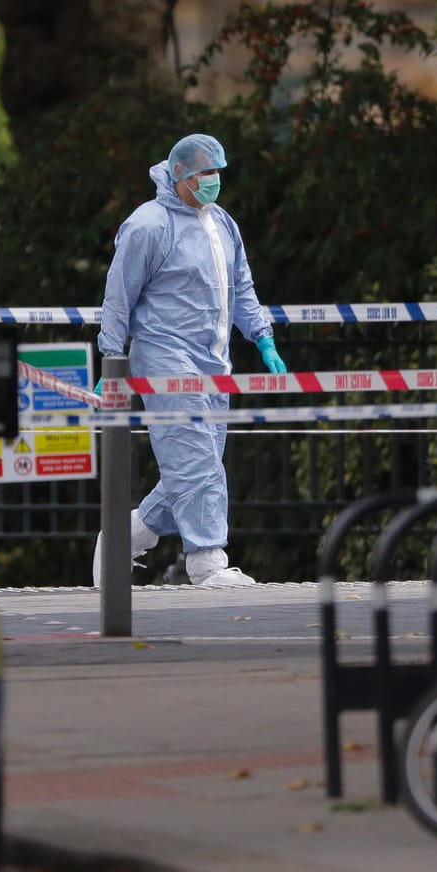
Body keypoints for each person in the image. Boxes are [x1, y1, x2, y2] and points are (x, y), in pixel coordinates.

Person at [94, 133, 286, 589]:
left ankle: (125, 535)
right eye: (204, 173)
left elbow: (241, 285)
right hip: (164, 356)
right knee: (195, 460)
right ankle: (206, 560)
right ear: (179, 174)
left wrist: (263, 338)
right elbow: (118, 296)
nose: (213, 181)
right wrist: (111, 357)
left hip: (213, 360)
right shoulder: (149, 225)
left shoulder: (221, 224)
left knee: (199, 461)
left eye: (217, 172)